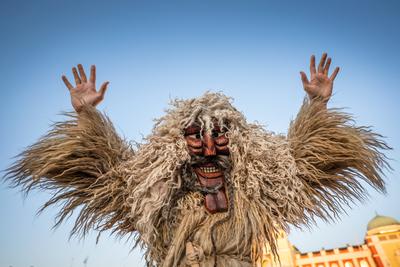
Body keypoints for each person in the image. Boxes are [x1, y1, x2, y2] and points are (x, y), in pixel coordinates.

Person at [6, 53, 390, 267]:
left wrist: (318, 104)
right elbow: (102, 172)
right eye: (194, 138)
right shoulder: (154, 198)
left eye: (219, 138)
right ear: (172, 148)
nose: (209, 151)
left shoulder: (256, 192)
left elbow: (306, 161)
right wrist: (87, 116)